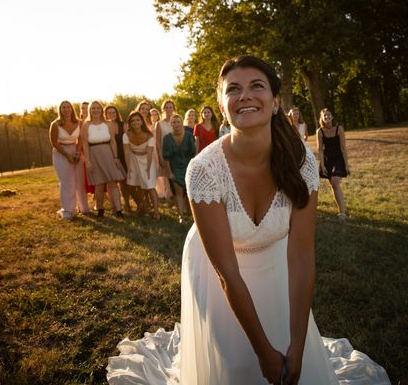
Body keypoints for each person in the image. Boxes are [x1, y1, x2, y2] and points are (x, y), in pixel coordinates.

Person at [107, 55, 390, 385]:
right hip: (216, 272)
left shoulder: (302, 164)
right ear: (222, 106)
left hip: (275, 261)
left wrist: (296, 346)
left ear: (274, 102)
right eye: (233, 90)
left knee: (296, 359)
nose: (245, 96)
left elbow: (301, 257)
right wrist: (263, 352)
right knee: (235, 366)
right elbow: (227, 274)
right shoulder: (204, 170)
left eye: (257, 86)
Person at [81, 101, 126, 218]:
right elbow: (85, 144)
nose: (96, 110)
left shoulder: (108, 124)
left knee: (113, 183)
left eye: (98, 108)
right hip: (94, 154)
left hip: (108, 153)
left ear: (101, 110)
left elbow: (113, 141)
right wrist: (88, 160)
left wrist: (115, 157)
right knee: (99, 184)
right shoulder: (86, 125)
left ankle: (119, 209)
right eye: (93, 108)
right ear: (90, 110)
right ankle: (100, 209)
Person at [49, 100, 90, 219]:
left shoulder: (79, 123)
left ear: (72, 109)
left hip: (76, 150)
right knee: (67, 181)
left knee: (80, 180)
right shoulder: (55, 124)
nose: (66, 109)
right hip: (61, 152)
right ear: (60, 110)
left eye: (68, 107)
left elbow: (81, 139)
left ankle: (84, 208)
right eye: (63, 107)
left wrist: (77, 152)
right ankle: (68, 210)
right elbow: (54, 143)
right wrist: (67, 155)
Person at [123, 111, 159, 219]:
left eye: (138, 120)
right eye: (132, 120)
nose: (135, 122)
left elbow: (149, 153)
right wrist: (129, 168)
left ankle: (156, 212)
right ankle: (142, 206)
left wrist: (148, 169)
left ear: (142, 121)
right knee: (133, 184)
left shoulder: (149, 135)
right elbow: (127, 152)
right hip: (133, 159)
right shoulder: (126, 135)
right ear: (130, 123)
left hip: (147, 160)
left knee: (150, 185)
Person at [162, 113, 196, 223]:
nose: (176, 124)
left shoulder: (189, 136)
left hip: (188, 166)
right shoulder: (167, 138)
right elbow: (166, 158)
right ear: (171, 124)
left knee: (190, 192)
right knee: (179, 192)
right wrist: (169, 172)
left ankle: (194, 215)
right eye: (173, 122)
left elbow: (193, 154)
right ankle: (181, 216)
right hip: (175, 166)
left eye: (178, 122)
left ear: (182, 123)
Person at [316, 108, 349, 220]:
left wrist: (346, 165)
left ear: (332, 116)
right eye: (324, 116)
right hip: (327, 159)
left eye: (328, 115)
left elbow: (343, 148)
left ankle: (342, 213)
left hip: (338, 159)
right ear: (321, 119)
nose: (327, 117)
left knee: (335, 182)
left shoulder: (339, 129)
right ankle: (341, 209)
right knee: (333, 185)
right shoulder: (320, 132)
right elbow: (320, 150)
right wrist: (322, 165)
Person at [105, 105, 133, 213]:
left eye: (114, 112)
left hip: (124, 154)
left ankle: (128, 204)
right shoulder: (104, 126)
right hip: (110, 155)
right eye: (109, 112)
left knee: (125, 181)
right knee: (112, 182)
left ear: (117, 114)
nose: (112, 114)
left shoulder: (123, 125)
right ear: (106, 114)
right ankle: (117, 206)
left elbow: (129, 138)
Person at [155, 99, 176, 203]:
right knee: (167, 174)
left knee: (176, 174)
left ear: (173, 109)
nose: (168, 109)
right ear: (163, 109)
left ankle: (177, 195)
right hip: (165, 153)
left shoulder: (176, 122)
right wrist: (160, 155)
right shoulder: (159, 124)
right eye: (166, 107)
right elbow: (157, 141)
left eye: (170, 107)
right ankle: (168, 196)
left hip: (176, 152)